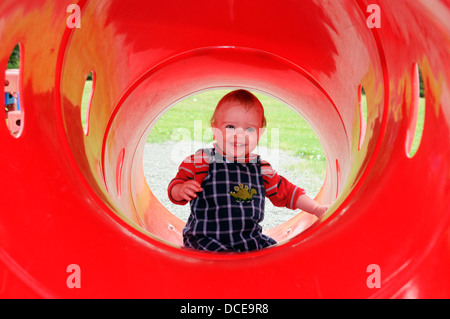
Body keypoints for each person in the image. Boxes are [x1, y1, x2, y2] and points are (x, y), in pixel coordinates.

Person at [168, 89, 330, 252]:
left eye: (250, 129)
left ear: (260, 134)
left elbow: (288, 193)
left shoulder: (261, 169)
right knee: (227, 263)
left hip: (248, 240)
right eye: (230, 126)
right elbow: (176, 184)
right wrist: (180, 190)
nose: (240, 134)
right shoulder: (202, 160)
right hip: (206, 241)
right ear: (215, 130)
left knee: (279, 255)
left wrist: (316, 209)